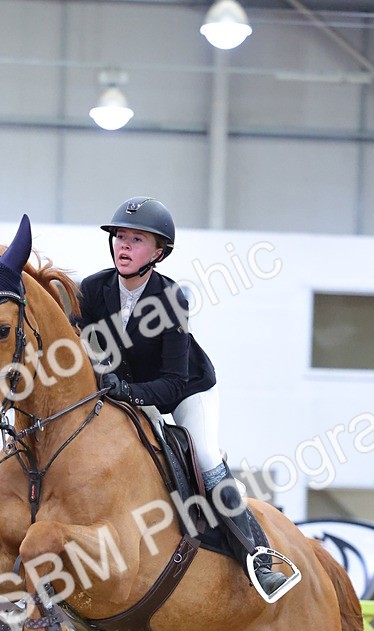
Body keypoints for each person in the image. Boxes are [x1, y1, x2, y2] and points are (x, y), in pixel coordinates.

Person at [77, 196, 291, 600]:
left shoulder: (171, 298)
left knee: (206, 457)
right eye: (120, 237)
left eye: (136, 240)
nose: (123, 246)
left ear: (158, 252)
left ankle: (259, 558)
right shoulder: (92, 289)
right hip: (120, 394)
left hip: (185, 393)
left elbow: (173, 382)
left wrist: (128, 392)